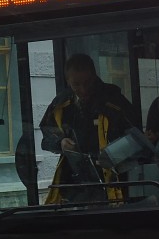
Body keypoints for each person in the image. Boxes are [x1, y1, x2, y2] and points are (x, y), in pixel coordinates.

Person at [40, 53, 141, 201]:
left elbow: (136, 137)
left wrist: (114, 155)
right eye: (76, 84)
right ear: (68, 81)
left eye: (88, 83)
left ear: (94, 76)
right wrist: (60, 142)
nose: (84, 89)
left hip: (114, 181)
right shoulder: (60, 105)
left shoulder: (114, 100)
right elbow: (47, 136)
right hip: (75, 183)